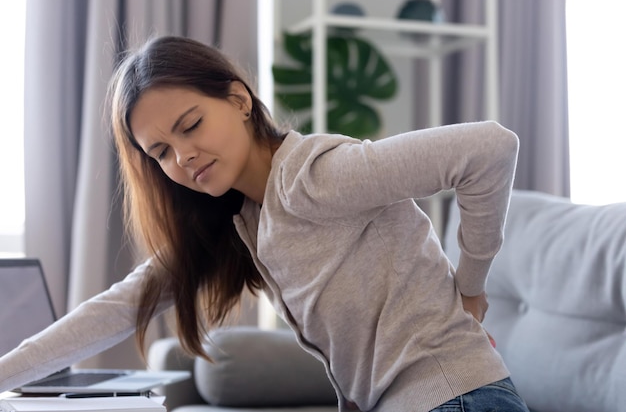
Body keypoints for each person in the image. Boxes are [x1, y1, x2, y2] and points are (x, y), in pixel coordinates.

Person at [0, 35, 529, 412]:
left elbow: (489, 147)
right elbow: (116, 308)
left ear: (238, 99)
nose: (183, 156)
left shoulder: (316, 177)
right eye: (161, 151)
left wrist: (472, 287)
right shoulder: (243, 219)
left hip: (457, 396)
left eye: (191, 125)